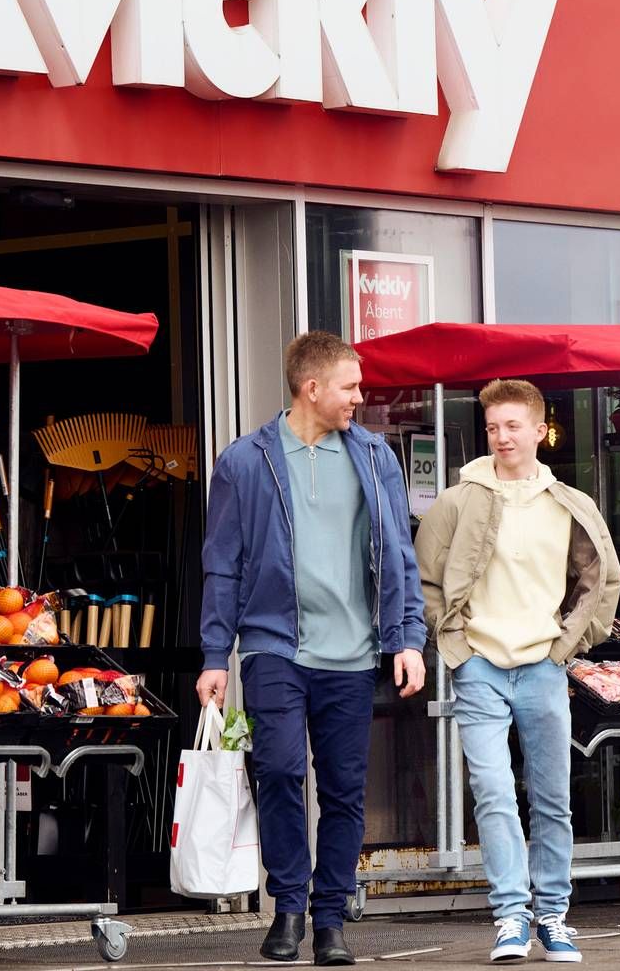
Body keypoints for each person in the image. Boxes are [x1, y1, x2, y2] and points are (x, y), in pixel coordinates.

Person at [196, 331, 428, 967]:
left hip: (353, 653)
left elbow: (400, 557)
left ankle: (331, 922)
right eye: (351, 386)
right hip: (275, 646)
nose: (361, 396)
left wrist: (407, 638)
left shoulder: (376, 456)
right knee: (277, 771)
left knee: (345, 790)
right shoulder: (245, 462)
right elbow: (223, 564)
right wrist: (216, 656)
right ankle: (288, 908)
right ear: (312, 388)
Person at [414, 378, 620, 965]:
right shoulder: (458, 500)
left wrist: (567, 646)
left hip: (543, 667)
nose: (502, 437)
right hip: (479, 664)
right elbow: (424, 578)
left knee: (553, 797)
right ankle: (510, 917)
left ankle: (553, 916)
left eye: (512, 426)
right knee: (495, 793)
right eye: (492, 427)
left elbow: (602, 579)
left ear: (538, 429)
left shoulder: (570, 504)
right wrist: (452, 641)